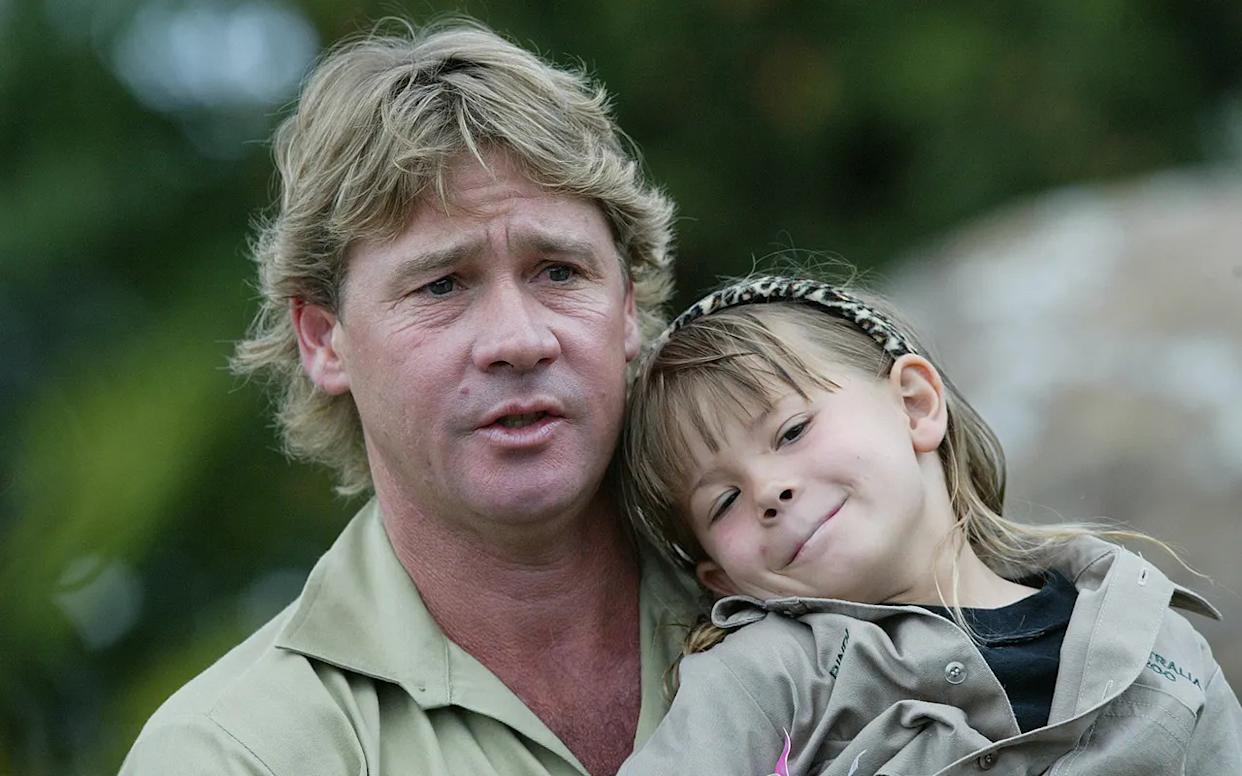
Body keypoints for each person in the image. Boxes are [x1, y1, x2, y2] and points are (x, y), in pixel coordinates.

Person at [120, 18, 699, 776]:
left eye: (558, 270)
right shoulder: (237, 753)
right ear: (325, 339)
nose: (518, 340)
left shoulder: (823, 595)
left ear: (626, 305)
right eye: (443, 285)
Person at [616, 274, 1242, 775]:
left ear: (915, 405)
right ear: (721, 577)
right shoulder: (764, 678)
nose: (768, 491)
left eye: (792, 431)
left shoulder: (1155, 640)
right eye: (723, 502)